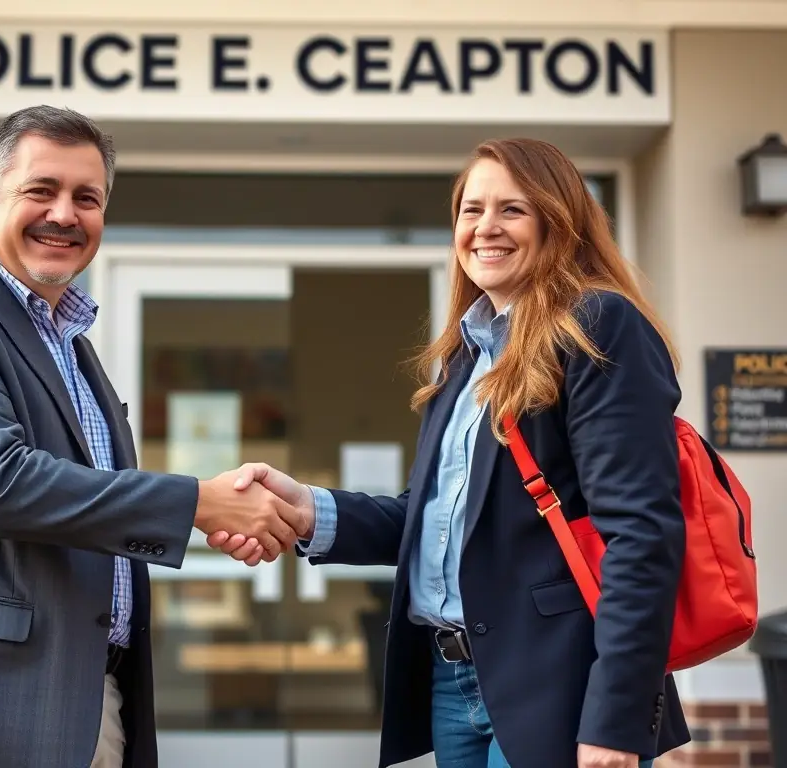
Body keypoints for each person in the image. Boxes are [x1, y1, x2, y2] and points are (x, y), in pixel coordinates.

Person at [0, 105, 307, 768]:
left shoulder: (70, 342)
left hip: (94, 697)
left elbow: (88, 508)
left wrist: (225, 512)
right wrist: (200, 505)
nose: (65, 213)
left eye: (86, 198)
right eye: (42, 190)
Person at [209, 138, 690, 768]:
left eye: (512, 210)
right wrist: (309, 510)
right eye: (471, 210)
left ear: (559, 220)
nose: (485, 228)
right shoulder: (466, 355)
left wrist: (616, 718)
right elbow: (434, 520)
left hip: (557, 683)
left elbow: (641, 533)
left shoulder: (598, 324)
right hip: (453, 678)